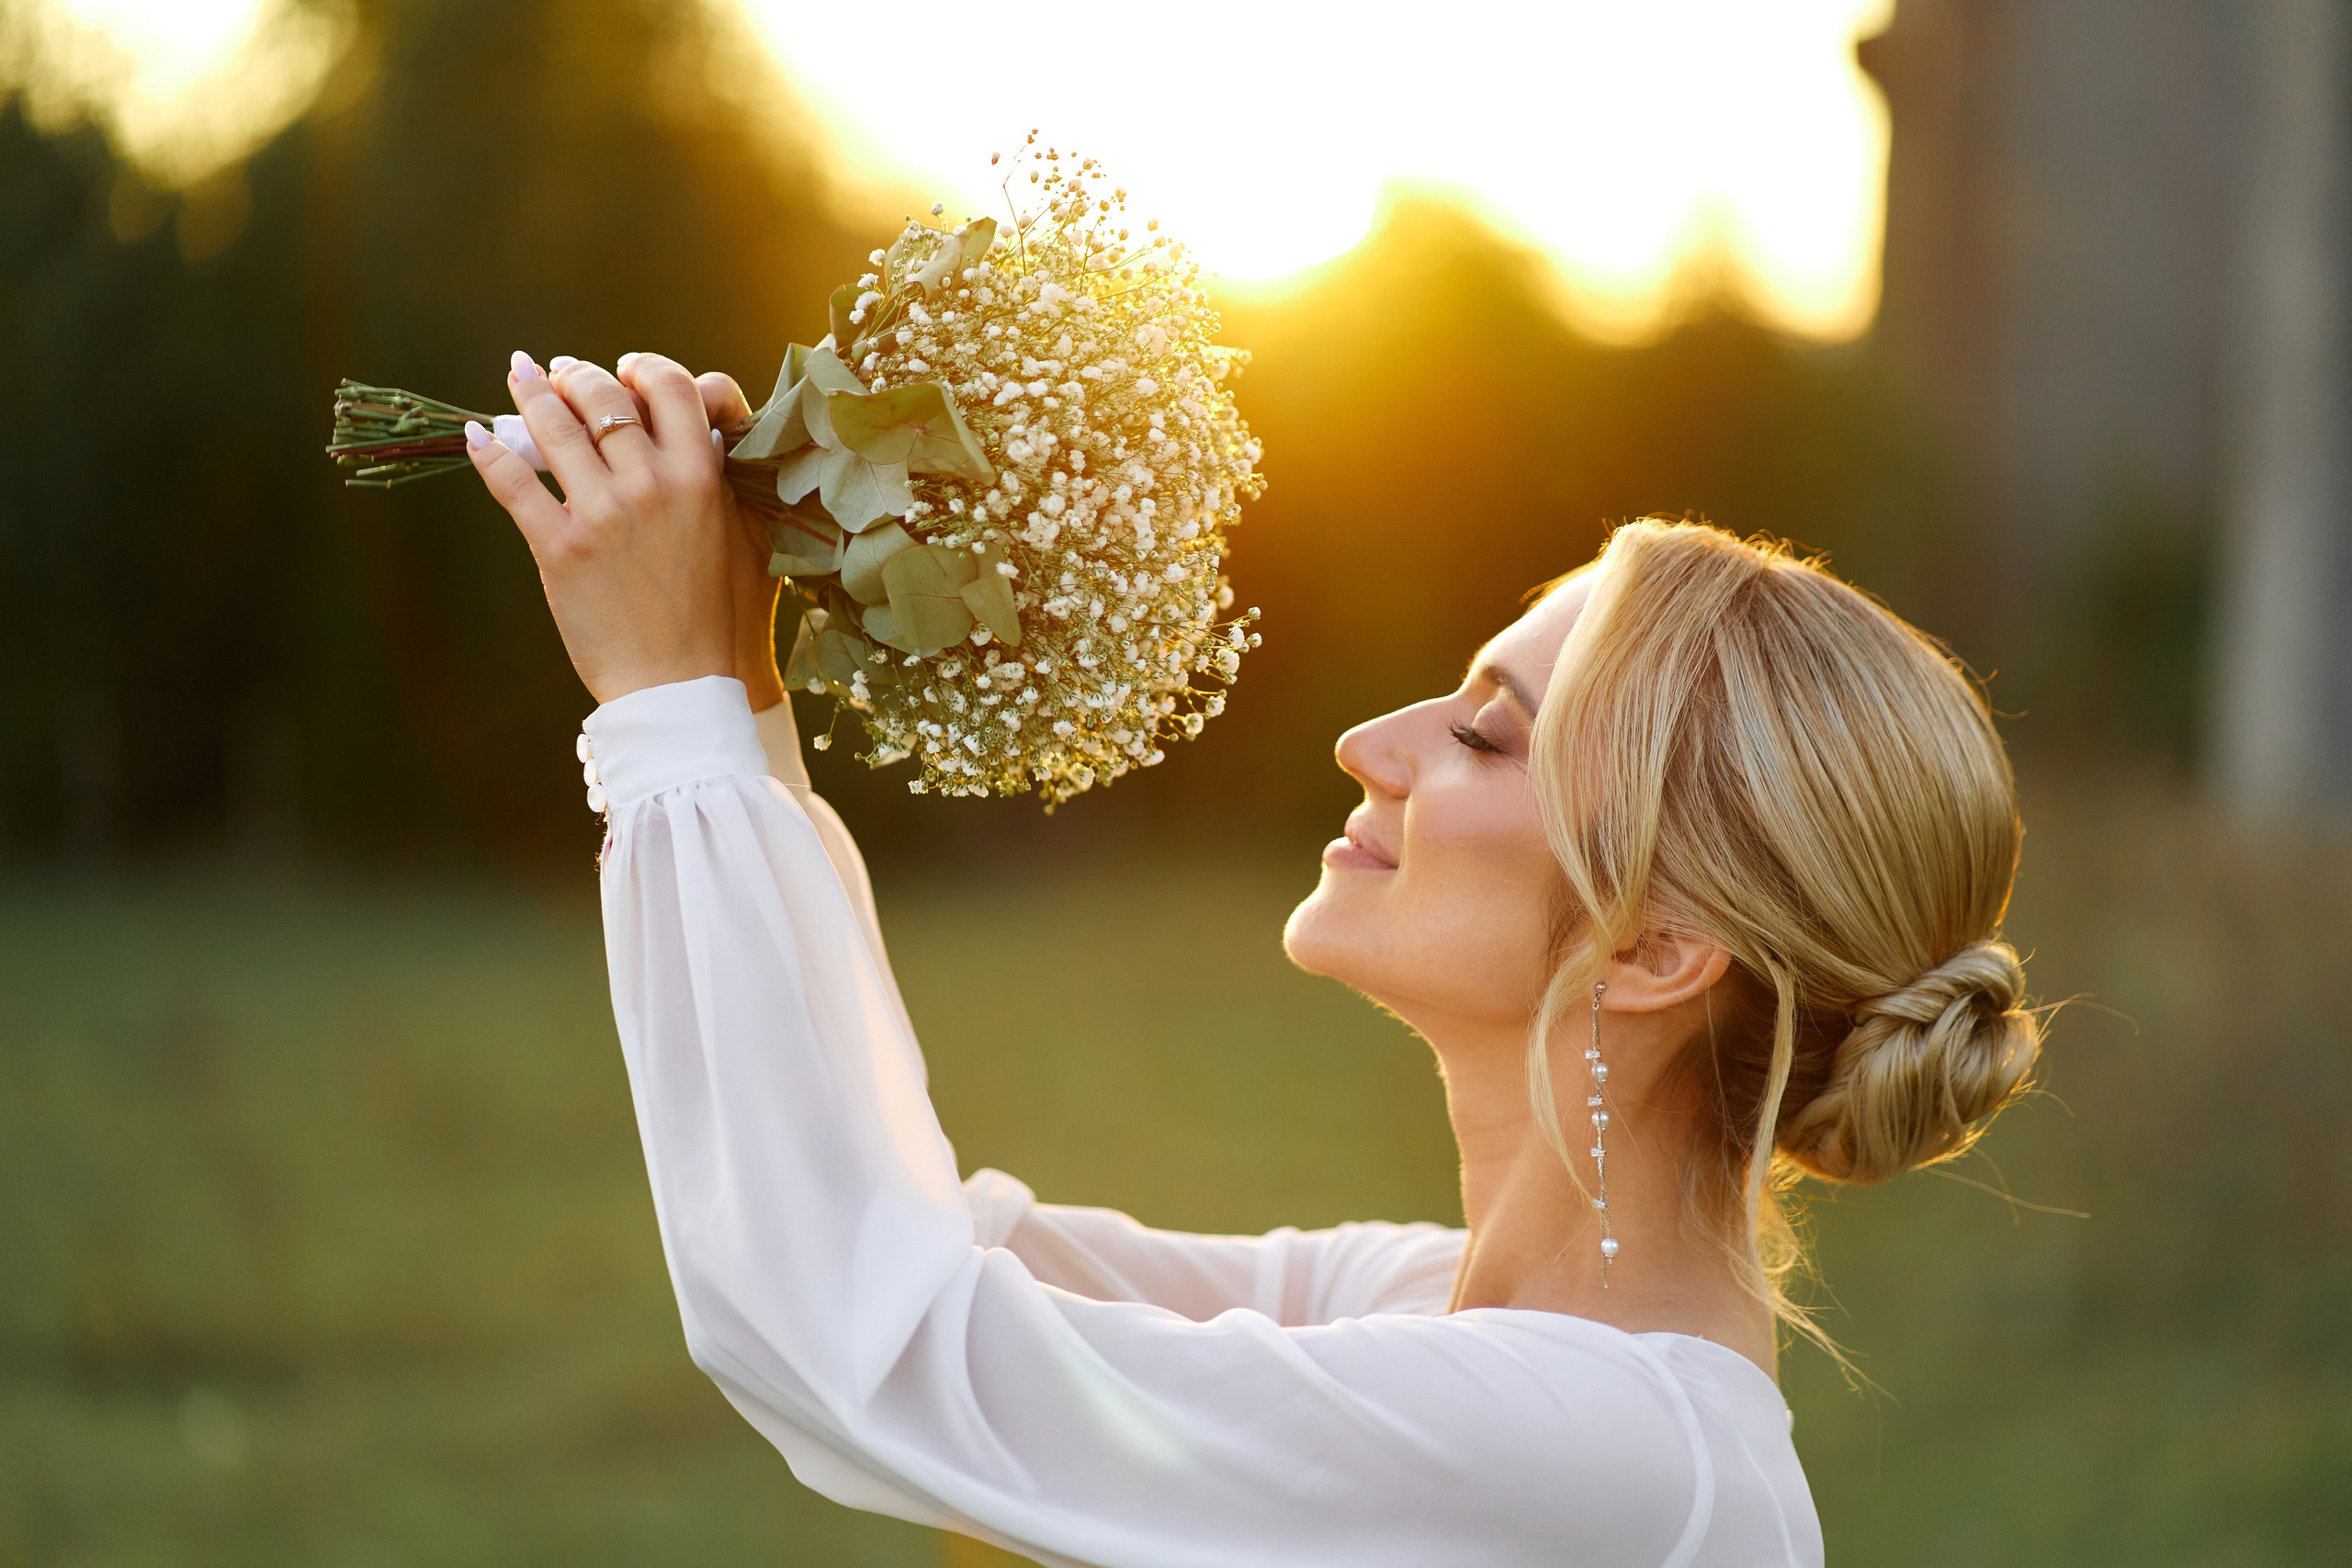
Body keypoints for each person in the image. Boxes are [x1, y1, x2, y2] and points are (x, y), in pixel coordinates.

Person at [462, 350, 2042, 1567]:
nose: (1373, 743)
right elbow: (935, 1255)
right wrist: (733, 687)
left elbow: (859, 1338)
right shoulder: (1431, 1314)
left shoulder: (1607, 1463)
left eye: (1487, 736)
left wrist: (666, 720)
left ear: (1663, 946)